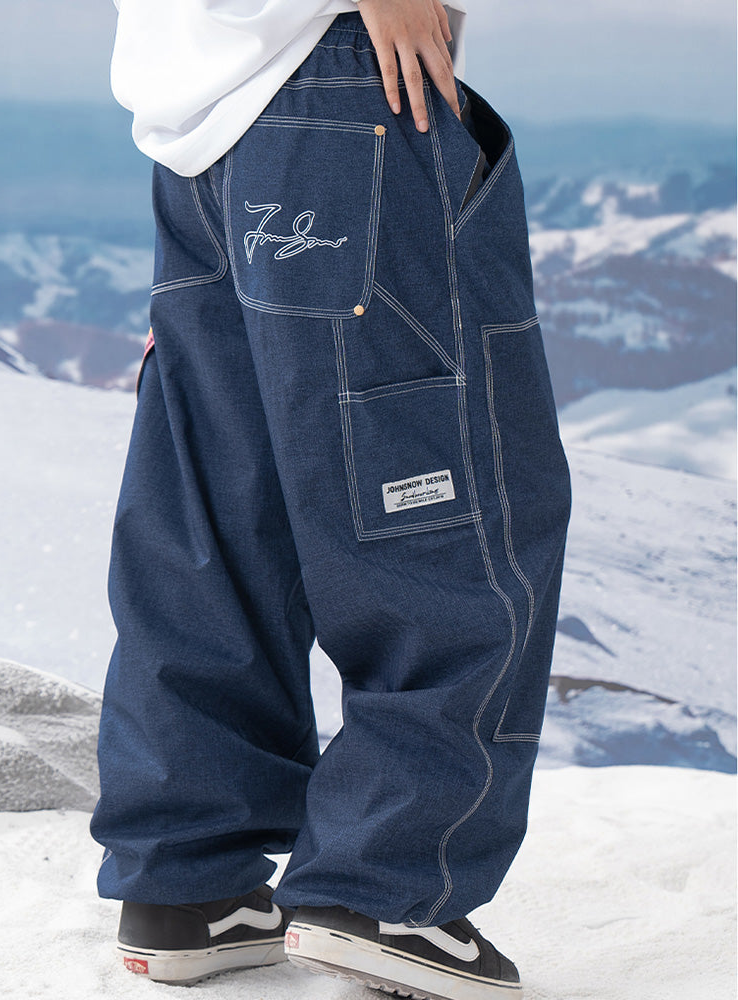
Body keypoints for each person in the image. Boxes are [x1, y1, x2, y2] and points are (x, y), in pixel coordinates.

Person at [89, 1, 572, 997]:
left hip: (201, 120)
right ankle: (387, 887)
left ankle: (189, 880)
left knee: (223, 507)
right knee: (447, 491)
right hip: (342, 81)